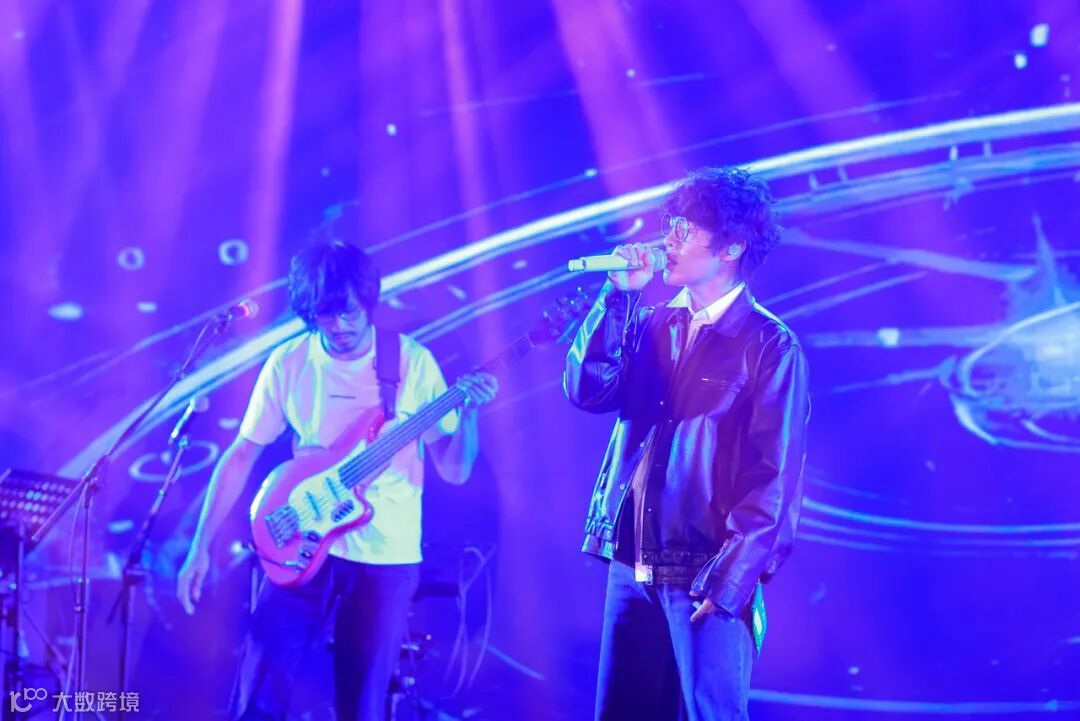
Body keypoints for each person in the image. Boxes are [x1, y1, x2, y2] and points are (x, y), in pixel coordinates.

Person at [176, 238, 498, 721]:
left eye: (349, 312)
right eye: (325, 316)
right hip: (298, 537)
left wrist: (469, 417)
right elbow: (241, 454)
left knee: (362, 706)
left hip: (384, 557)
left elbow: (454, 471)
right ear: (309, 314)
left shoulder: (410, 363)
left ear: (368, 302)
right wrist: (200, 545)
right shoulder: (289, 362)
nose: (340, 326)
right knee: (259, 694)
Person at [564, 167, 810, 721]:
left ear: (731, 246)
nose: (666, 240)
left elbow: (773, 479)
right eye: (669, 225)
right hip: (631, 560)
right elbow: (587, 390)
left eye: (684, 229)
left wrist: (730, 582)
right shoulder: (651, 322)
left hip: (705, 571)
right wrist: (617, 297)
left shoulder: (770, 346)